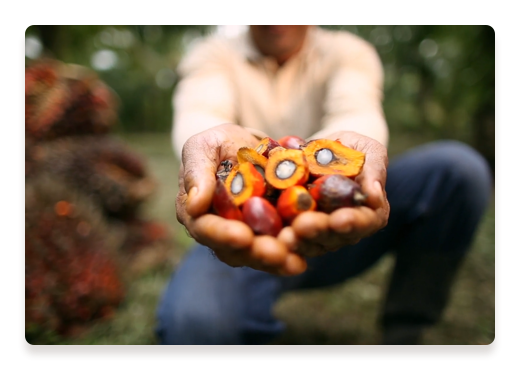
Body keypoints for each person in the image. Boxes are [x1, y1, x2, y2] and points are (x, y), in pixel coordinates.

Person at [155, 25, 493, 345]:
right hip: (243, 235)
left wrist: (341, 152)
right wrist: (207, 149)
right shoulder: (212, 54)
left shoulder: (347, 51)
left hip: (339, 215)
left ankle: (406, 333)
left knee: (459, 170)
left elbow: (356, 112)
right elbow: (200, 113)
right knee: (192, 325)